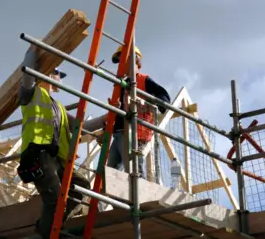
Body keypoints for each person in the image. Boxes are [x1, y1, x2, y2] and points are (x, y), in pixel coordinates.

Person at [17, 47, 101, 238]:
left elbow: (82, 126)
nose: (60, 78)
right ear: (47, 73)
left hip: (59, 159)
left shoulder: (59, 108)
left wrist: (106, 118)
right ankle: (50, 233)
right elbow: (28, 74)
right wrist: (32, 52)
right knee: (53, 200)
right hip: (39, 154)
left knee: (82, 188)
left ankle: (51, 227)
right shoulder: (31, 94)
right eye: (57, 73)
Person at [105, 45, 171, 178]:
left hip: (136, 133)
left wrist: (149, 104)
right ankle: (115, 198)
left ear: (133, 60)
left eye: (122, 60)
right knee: (111, 174)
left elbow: (164, 97)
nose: (120, 65)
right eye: (119, 62)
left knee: (135, 171)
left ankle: (138, 196)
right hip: (119, 133)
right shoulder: (121, 85)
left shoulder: (143, 80)